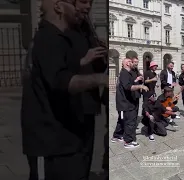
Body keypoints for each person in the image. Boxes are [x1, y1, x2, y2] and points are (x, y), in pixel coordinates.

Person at [20, 0, 109, 179]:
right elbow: (61, 80)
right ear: (59, 7)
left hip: (69, 133)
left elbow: (65, 69)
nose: (83, 8)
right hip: (52, 140)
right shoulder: (47, 38)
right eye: (79, 2)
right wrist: (102, 79)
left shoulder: (63, 36)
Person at [65, 0, 107, 177]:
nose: (88, 7)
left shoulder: (86, 30)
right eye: (83, 2)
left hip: (88, 102)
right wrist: (84, 59)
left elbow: (98, 67)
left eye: (89, 2)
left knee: (87, 151)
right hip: (72, 102)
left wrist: (101, 56)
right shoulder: (63, 32)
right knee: (73, 155)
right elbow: (59, 72)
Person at [111, 58, 149, 148]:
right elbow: (128, 87)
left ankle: (117, 136)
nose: (133, 63)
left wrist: (137, 81)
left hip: (129, 101)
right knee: (130, 121)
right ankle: (128, 141)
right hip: (126, 102)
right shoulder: (124, 73)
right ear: (127, 63)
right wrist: (140, 86)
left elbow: (130, 83)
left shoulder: (128, 73)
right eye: (131, 62)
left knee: (123, 120)